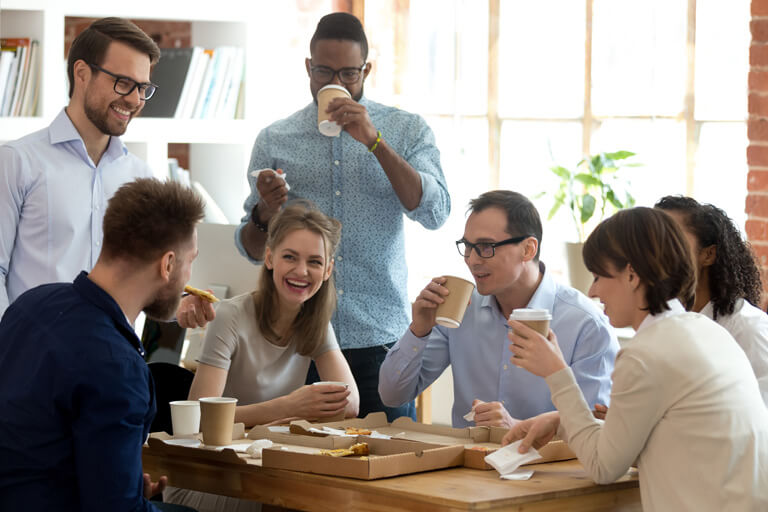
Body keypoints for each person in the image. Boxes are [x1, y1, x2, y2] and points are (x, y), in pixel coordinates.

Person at [235, 12, 450, 421]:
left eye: (349, 73)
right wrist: (266, 210)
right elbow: (251, 248)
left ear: (366, 70)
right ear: (307, 68)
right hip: (297, 341)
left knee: (389, 470)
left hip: (380, 338)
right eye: (323, 71)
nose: (336, 82)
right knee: (293, 472)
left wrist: (375, 143)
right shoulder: (275, 139)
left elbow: (435, 211)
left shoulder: (405, 130)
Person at [504, 207, 768, 512]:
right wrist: (562, 420)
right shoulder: (705, 330)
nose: (592, 290)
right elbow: (641, 443)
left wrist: (556, 372)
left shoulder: (646, 353)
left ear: (631, 275)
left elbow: (604, 467)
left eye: (599, 276)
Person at [0, 178, 204, 511]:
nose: (189, 277)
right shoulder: (118, 366)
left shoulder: (30, 304)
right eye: (189, 261)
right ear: (167, 265)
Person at [164, 200, 358, 512]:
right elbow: (200, 419)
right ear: (269, 257)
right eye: (290, 257)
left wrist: (285, 415)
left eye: (315, 262)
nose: (301, 271)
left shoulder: (316, 324)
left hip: (266, 471)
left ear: (328, 270)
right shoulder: (229, 315)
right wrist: (287, 408)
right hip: (210, 477)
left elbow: (349, 403)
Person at [378, 190, 619, 428]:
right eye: (467, 246)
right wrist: (419, 329)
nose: (472, 260)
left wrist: (517, 427)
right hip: (466, 464)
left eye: (485, 247)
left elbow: (593, 431)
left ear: (528, 249)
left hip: (547, 465)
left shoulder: (586, 324)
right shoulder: (460, 309)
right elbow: (392, 396)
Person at [655, 195, 768, 406]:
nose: (655, 252)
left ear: (708, 255)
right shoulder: (663, 324)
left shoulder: (749, 330)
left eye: (671, 240)